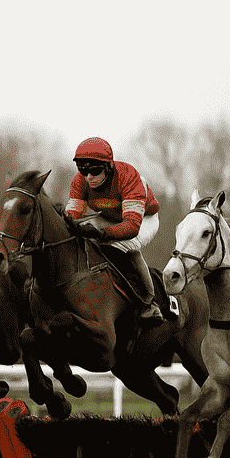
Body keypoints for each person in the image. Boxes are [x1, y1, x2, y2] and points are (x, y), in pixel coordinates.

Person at [64, 136, 164, 325]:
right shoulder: (80, 181)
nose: (89, 177)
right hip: (109, 216)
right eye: (83, 170)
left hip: (144, 219)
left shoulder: (129, 177)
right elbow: (72, 216)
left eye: (94, 170)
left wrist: (102, 234)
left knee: (121, 247)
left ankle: (149, 303)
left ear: (109, 166)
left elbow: (132, 227)